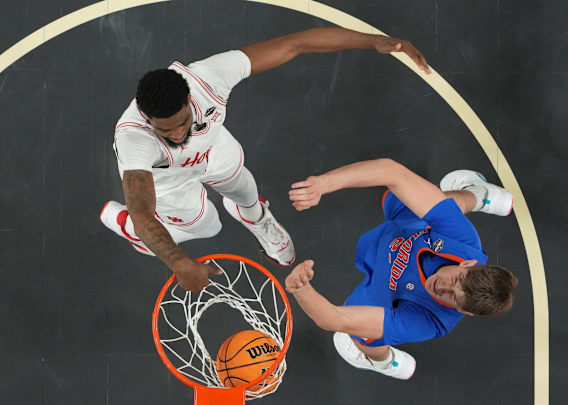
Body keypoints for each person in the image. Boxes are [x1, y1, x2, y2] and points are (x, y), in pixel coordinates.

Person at [101, 28, 432, 291]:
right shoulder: (134, 139)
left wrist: (371, 40)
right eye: (166, 131)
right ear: (146, 117)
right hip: (168, 183)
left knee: (245, 191)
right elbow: (143, 208)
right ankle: (129, 229)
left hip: (213, 152)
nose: (176, 134)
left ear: (189, 98)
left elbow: (296, 44)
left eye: (182, 123)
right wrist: (178, 262)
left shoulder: (208, 78)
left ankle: (259, 221)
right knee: (207, 225)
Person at [285, 159, 518, 379]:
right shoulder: (464, 243)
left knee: (362, 336)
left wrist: (300, 288)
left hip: (383, 292)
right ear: (467, 264)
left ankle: (384, 362)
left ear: (465, 312)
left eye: (452, 297)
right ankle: (480, 194)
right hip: (403, 229)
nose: (442, 287)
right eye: (455, 279)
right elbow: (391, 171)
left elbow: (335, 319)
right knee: (444, 204)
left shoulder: (428, 321)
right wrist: (323, 184)